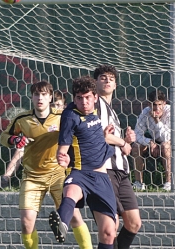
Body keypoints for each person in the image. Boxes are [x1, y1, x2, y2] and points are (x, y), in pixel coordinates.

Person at [0, 81, 92, 249]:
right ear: (32, 97)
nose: (39, 98)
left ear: (50, 97)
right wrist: (15, 139)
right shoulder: (22, 119)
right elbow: (4, 137)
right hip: (32, 176)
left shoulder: (62, 116)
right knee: (26, 222)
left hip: (58, 174)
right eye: (36, 94)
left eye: (43, 94)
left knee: (74, 216)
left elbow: (79, 132)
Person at [50, 76, 117, 249]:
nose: (84, 102)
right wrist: (63, 159)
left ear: (95, 97)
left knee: (109, 232)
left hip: (101, 176)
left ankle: (63, 220)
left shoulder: (95, 110)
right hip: (80, 172)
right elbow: (62, 151)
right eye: (79, 98)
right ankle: (62, 223)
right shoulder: (71, 116)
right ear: (74, 99)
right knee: (71, 192)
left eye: (87, 97)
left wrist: (106, 136)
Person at [93, 65, 141, 249]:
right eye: (103, 77)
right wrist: (123, 143)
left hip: (121, 171)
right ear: (95, 82)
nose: (107, 81)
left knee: (134, 223)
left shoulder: (111, 111)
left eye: (111, 79)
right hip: (105, 171)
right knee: (109, 228)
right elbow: (101, 135)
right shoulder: (95, 103)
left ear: (116, 85)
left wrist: (126, 141)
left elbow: (113, 140)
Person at [0, 90, 67, 188]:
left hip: (57, 150)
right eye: (53, 105)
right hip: (38, 150)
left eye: (58, 105)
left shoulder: (65, 118)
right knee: (21, 148)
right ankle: (5, 178)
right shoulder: (37, 117)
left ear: (64, 106)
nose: (55, 108)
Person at [130, 90, 175, 191]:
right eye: (154, 105)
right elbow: (137, 134)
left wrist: (157, 121)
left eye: (160, 104)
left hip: (172, 139)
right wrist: (149, 142)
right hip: (153, 140)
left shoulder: (170, 111)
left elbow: (167, 137)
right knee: (136, 146)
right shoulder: (145, 112)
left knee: (165, 146)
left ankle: (169, 183)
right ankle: (138, 183)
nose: (157, 108)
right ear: (149, 104)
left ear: (164, 103)